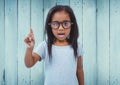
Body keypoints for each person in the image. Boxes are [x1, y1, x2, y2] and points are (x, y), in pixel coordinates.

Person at [24, 5, 84, 85]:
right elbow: (29, 64)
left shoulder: (76, 46)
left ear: (72, 25)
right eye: (55, 24)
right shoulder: (45, 46)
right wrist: (29, 49)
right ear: (50, 26)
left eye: (65, 23)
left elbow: (79, 70)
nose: (60, 28)